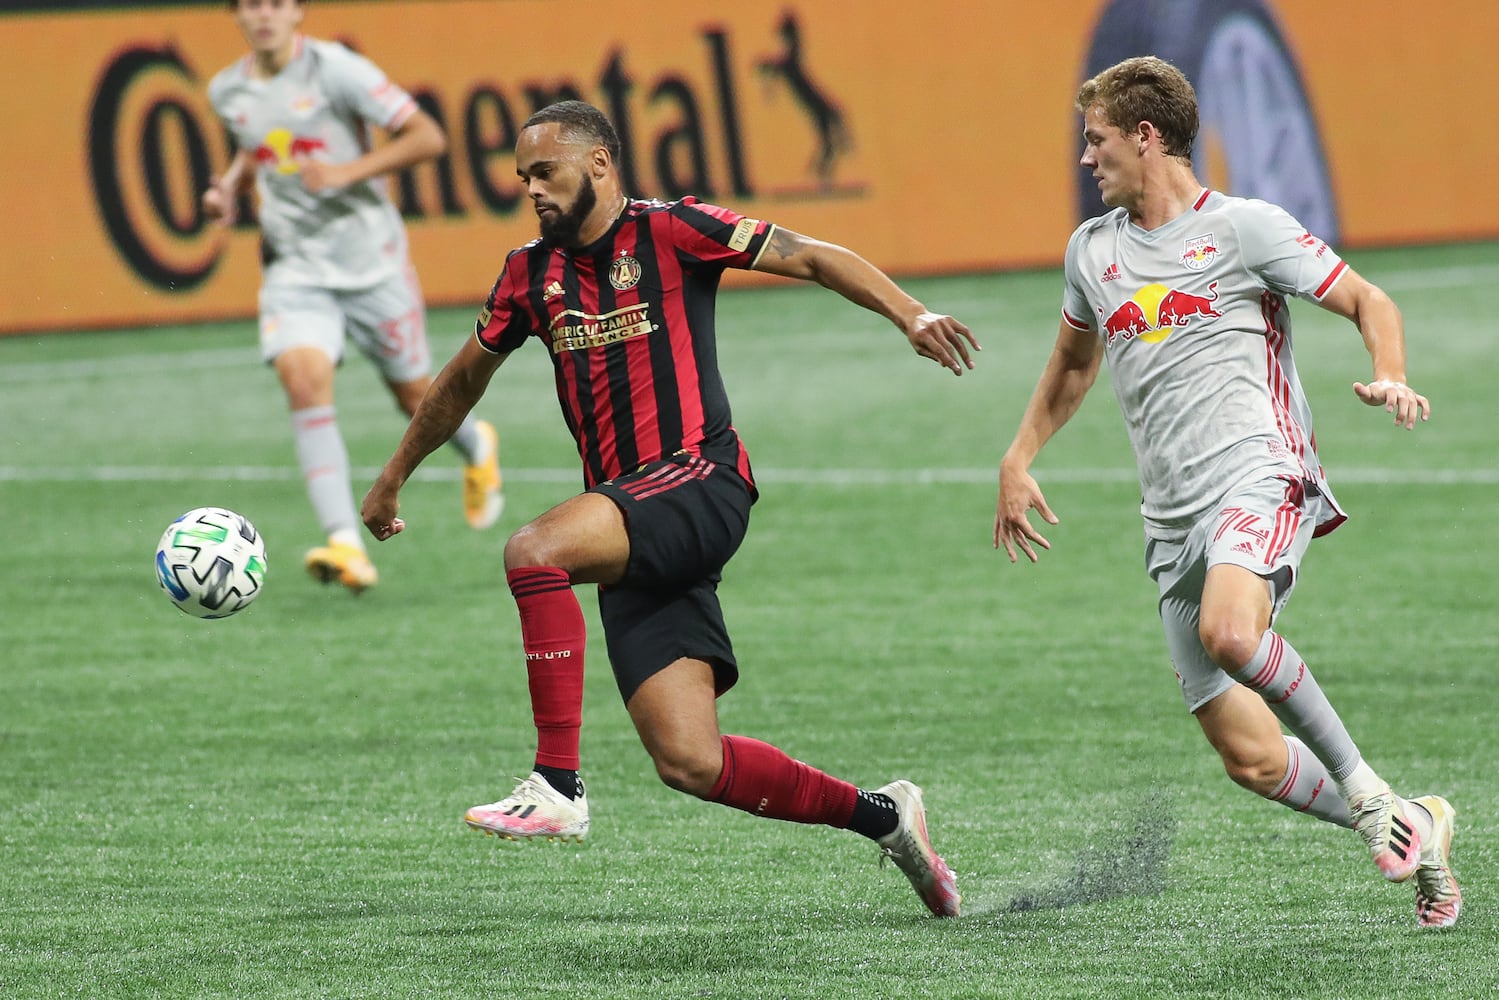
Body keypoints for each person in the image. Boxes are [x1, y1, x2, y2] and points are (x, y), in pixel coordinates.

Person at [361, 100, 974, 917]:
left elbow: (813, 256)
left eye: (545, 172)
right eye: (522, 179)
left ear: (600, 164)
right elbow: (463, 379)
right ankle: (887, 818)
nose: (532, 190)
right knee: (691, 762)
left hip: (700, 480)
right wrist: (394, 473)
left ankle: (556, 782)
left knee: (534, 550)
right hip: (634, 520)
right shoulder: (526, 273)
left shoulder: (673, 230)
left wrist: (912, 312)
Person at [993, 56, 1459, 929]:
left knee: (1231, 631)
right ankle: (1414, 823)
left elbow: (1367, 299)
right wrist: (1018, 456)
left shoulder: (1244, 229)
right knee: (1245, 756)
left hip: (1261, 471)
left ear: (1145, 137)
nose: (1084, 160)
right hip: (1169, 521)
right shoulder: (1090, 253)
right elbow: (1070, 363)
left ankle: (1366, 795)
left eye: (1095, 142)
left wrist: (1388, 373)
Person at [204, 0, 502, 594]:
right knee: (304, 378)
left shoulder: (337, 70)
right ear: (236, 15)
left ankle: (476, 443)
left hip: (372, 264)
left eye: (276, 4)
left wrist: (348, 171)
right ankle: (345, 543)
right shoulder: (226, 89)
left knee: (416, 396)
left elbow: (428, 136)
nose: (263, 15)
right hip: (296, 268)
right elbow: (254, 139)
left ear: (297, 13)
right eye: (250, 6)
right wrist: (231, 185)